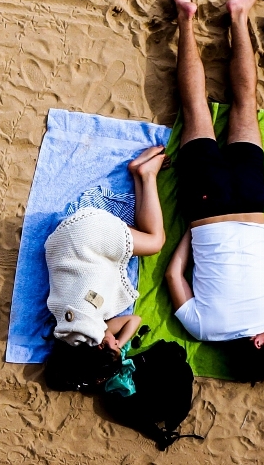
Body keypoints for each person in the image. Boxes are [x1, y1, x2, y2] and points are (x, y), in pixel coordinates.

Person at [163, 0, 264, 384]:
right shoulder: (200, 329)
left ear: (258, 346)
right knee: (196, 110)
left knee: (244, 104)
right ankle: (186, 18)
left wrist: (257, 219)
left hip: (251, 200)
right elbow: (174, 275)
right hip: (204, 208)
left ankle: (238, 14)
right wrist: (191, 230)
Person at [44, 146, 167, 391]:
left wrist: (116, 342)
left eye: (113, 344)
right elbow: (134, 319)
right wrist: (117, 343)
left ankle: (147, 175)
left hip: (85, 239)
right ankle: (140, 174)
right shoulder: (75, 333)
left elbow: (132, 318)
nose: (117, 342)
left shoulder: (94, 330)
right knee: (143, 236)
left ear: (101, 346)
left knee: (155, 241)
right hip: (62, 242)